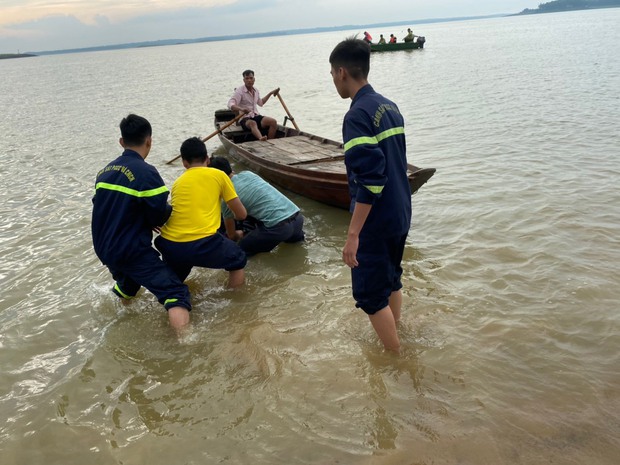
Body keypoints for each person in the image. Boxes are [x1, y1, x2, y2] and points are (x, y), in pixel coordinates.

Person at [329, 38, 412, 353]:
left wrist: (353, 234)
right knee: (391, 280)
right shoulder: (389, 105)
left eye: (332, 74)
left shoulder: (357, 116)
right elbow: (394, 163)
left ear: (341, 72)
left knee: (369, 296)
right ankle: (397, 333)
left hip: (376, 219)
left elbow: (372, 180)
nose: (334, 81)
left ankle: (397, 358)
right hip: (401, 210)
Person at [91, 114, 192, 329]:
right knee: (176, 293)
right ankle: (186, 347)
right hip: (130, 249)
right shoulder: (146, 173)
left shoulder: (104, 172)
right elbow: (158, 213)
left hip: (104, 247)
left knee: (129, 283)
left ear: (122, 142)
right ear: (149, 141)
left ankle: (120, 318)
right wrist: (163, 214)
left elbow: (104, 207)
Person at [154, 138, 248, 288]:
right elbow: (242, 214)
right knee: (238, 258)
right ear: (207, 159)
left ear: (184, 163)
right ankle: (236, 303)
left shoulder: (178, 182)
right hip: (202, 243)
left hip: (170, 242)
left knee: (174, 283)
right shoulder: (219, 175)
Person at [209, 157, 305, 256]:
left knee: (239, 253)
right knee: (297, 249)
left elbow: (231, 235)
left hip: (277, 229)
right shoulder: (248, 174)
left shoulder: (227, 198)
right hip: (297, 218)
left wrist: (240, 234)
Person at [228, 70, 280, 141]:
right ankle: (261, 139)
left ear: (254, 79)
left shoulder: (256, 90)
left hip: (255, 116)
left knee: (273, 122)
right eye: (247, 78)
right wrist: (241, 109)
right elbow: (230, 104)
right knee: (253, 123)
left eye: (251, 78)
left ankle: (271, 141)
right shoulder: (239, 91)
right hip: (245, 119)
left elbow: (261, 103)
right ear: (244, 80)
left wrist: (270, 93)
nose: (249, 80)